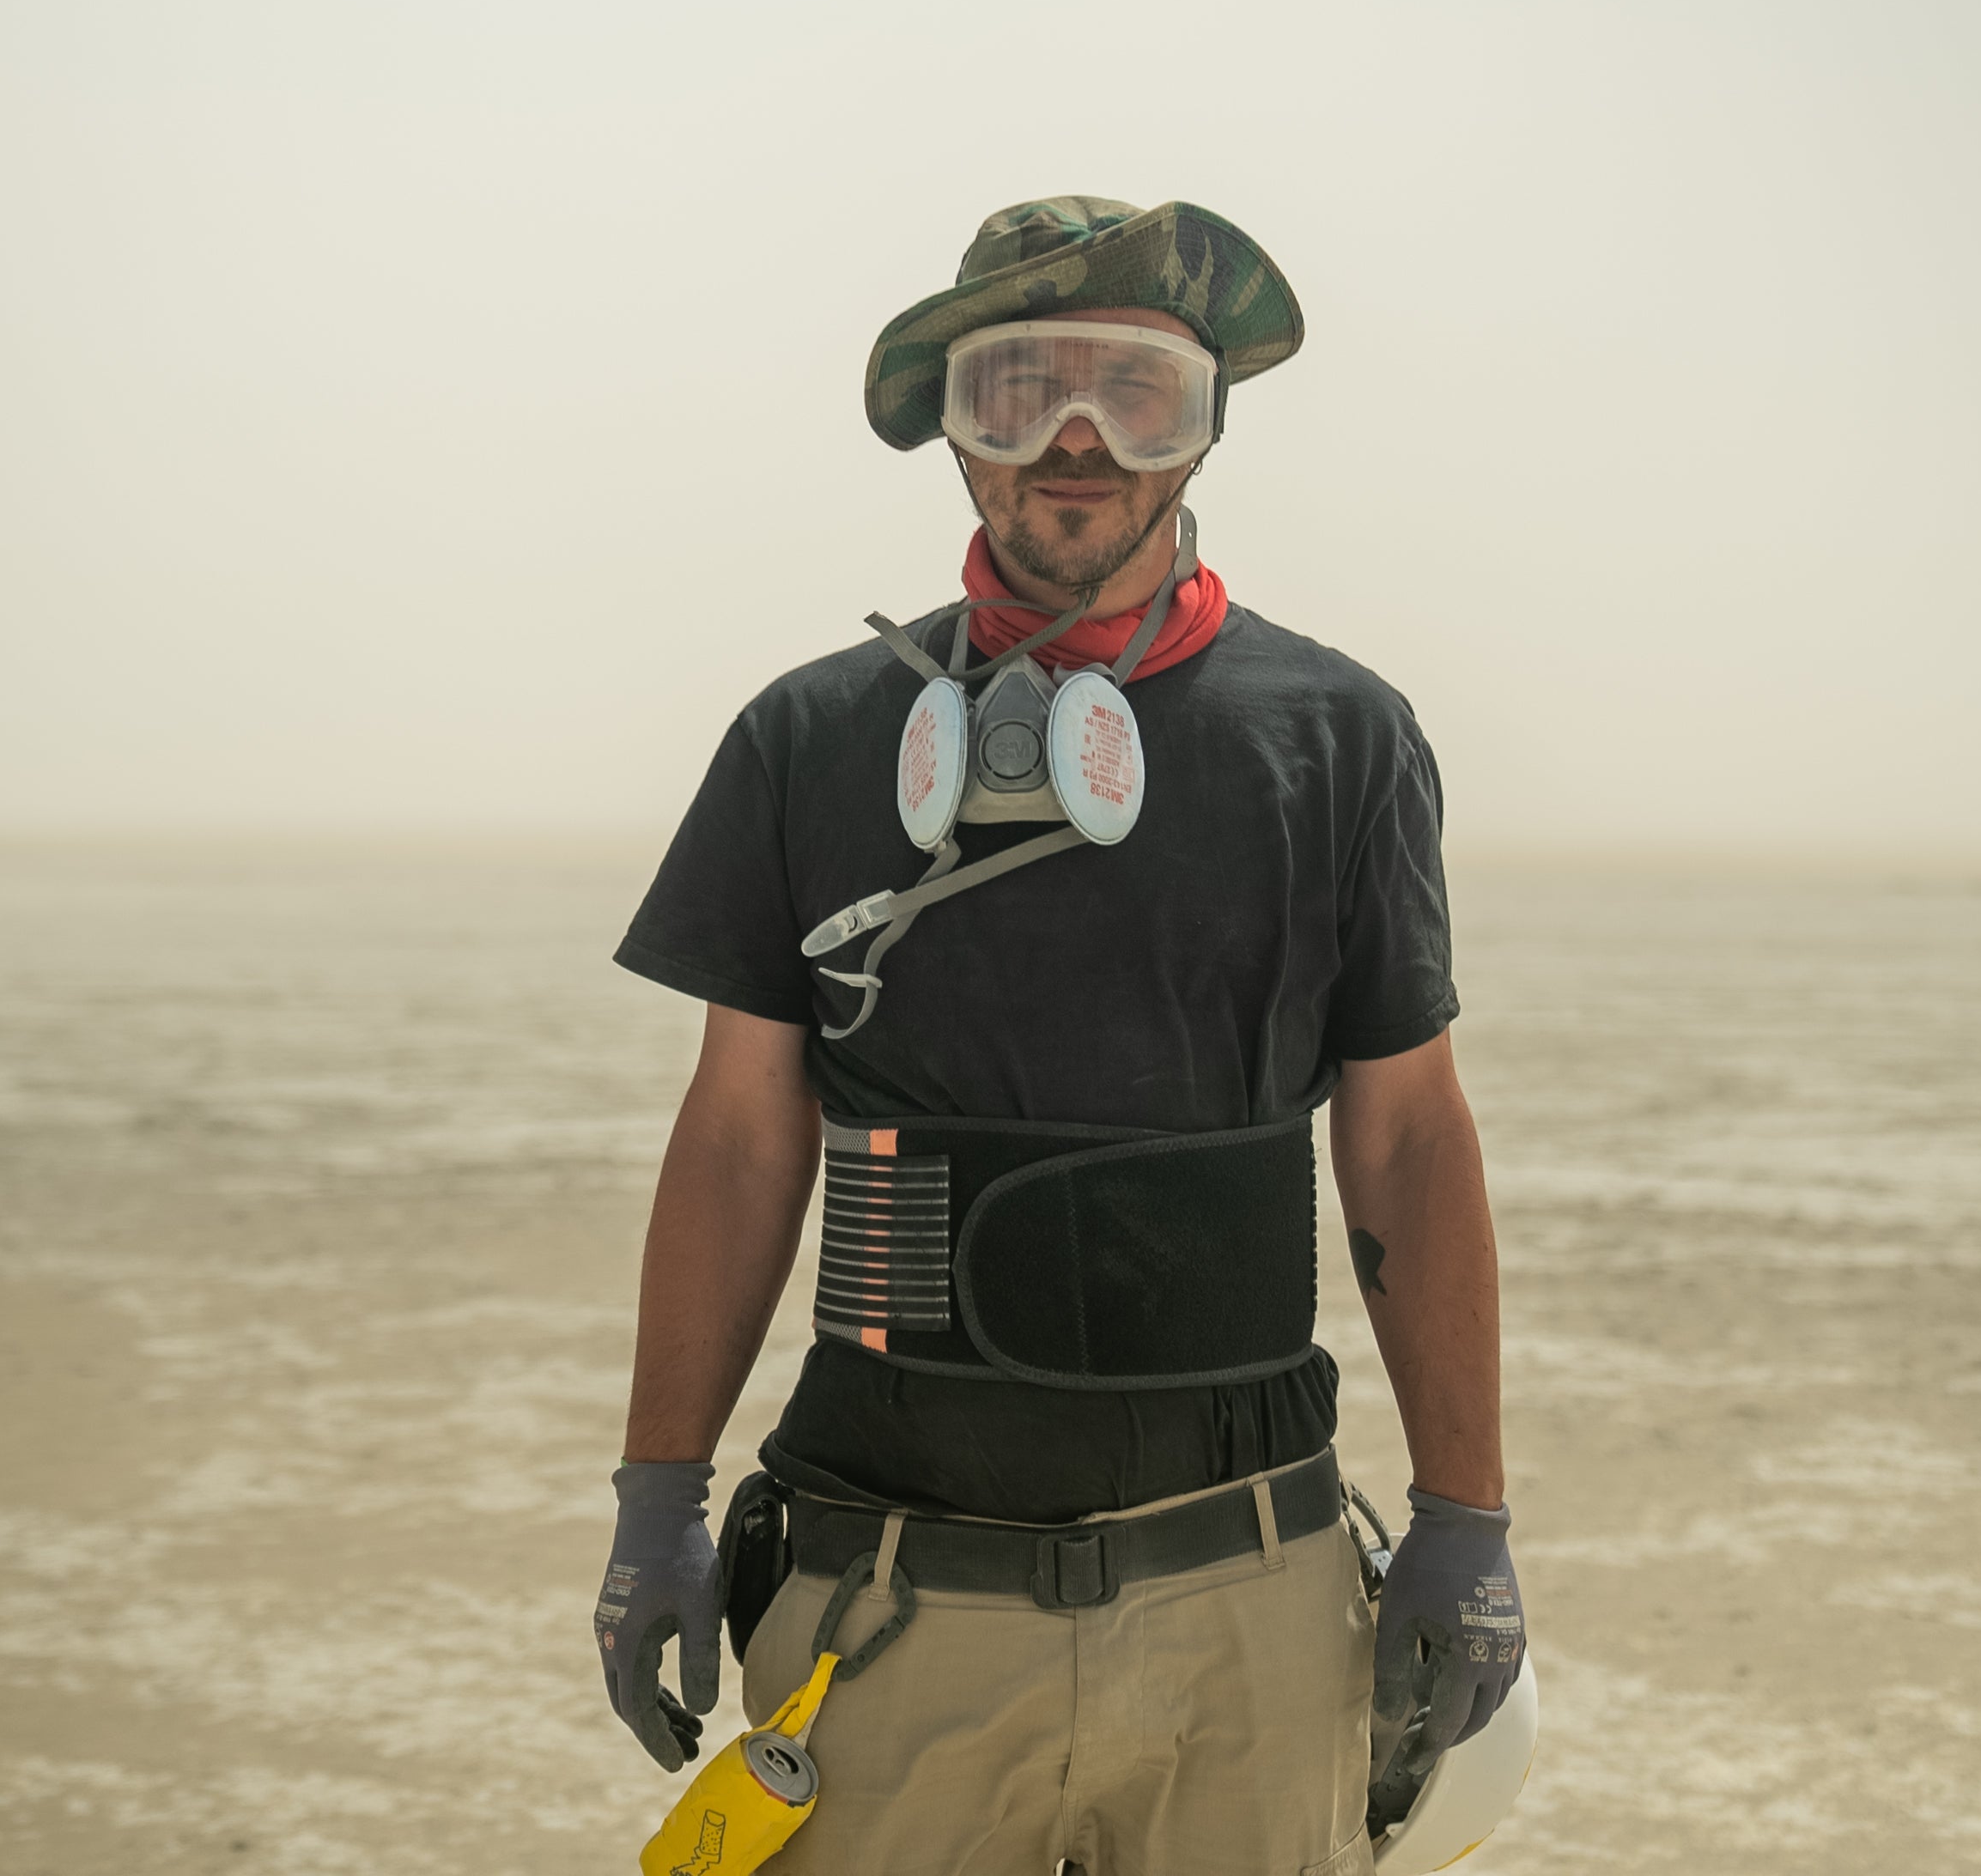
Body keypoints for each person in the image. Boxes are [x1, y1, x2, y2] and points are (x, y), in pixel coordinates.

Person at [592, 196, 1523, 1876]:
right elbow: (739, 1135)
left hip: (1249, 1601)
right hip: (880, 1609)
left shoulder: (1341, 740)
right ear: (949, 430)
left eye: (1135, 394)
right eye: (1018, 393)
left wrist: (1466, 1516)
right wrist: (654, 1494)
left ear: (1206, 425)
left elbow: (1403, 1132)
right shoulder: (805, 741)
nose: (1075, 444)